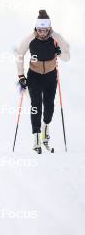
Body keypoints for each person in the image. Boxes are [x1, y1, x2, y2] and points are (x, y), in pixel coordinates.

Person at [16, 10, 70, 154]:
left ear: (49, 28)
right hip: (34, 75)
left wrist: (60, 53)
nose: (42, 33)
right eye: (40, 29)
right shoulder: (29, 39)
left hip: (51, 76)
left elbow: (67, 57)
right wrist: (21, 76)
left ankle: (45, 131)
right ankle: (36, 138)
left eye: (45, 30)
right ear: (36, 28)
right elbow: (20, 55)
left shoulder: (56, 38)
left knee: (49, 108)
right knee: (35, 106)